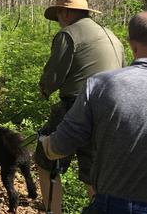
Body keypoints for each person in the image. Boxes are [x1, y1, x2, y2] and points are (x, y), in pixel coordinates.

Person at [39, 11, 147, 213]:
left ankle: (54, 211)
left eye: (58, 16)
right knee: (95, 167)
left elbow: (53, 75)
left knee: (46, 162)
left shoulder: (68, 34)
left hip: (81, 103)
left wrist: (44, 91)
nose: (59, 22)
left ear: (67, 14)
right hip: (119, 107)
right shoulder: (110, 34)